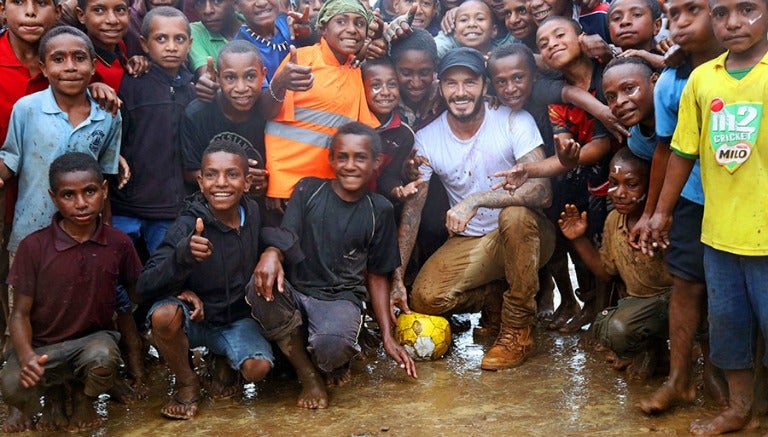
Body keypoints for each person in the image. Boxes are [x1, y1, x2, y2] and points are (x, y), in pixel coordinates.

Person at [640, 0, 768, 431]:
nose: (733, 22)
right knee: (729, 326)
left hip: (766, 237)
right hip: (718, 234)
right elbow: (681, 151)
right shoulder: (701, 79)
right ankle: (738, 407)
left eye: (747, 9)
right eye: (721, 13)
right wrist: (660, 213)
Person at [391, 47, 555, 370]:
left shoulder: (513, 119)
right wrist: (397, 277)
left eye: (469, 82)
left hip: (528, 236)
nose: (461, 92)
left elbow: (543, 191)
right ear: (440, 87)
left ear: (484, 85)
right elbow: (413, 210)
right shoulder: (427, 138)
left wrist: (477, 199)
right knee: (425, 298)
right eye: (452, 84)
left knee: (515, 215)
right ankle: (496, 295)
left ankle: (518, 326)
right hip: (472, 241)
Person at [248, 122, 416, 410]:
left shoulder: (380, 209)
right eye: (343, 157)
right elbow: (287, 236)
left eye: (360, 157)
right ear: (332, 159)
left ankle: (327, 356)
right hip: (297, 293)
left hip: (339, 298)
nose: (350, 165)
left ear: (376, 162)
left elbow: (377, 275)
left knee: (331, 348)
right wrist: (273, 252)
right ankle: (308, 375)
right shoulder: (309, 190)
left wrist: (388, 335)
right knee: (259, 286)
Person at [631, 0, 729, 414]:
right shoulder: (672, 81)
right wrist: (655, 212)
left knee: (734, 294)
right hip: (691, 199)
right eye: (672, 15)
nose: (681, 23)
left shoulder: (752, 68)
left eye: (693, 10)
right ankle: (679, 379)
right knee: (685, 286)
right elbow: (665, 150)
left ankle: (727, 378)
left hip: (743, 204)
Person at [0, 152, 142, 433]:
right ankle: (47, 399)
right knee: (11, 386)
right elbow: (19, 315)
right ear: (54, 198)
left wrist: (134, 360)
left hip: (91, 343)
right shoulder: (33, 247)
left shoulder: (118, 243)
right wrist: (27, 355)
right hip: (43, 349)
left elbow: (134, 298)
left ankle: (82, 399)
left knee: (103, 357)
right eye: (68, 195)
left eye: (89, 191)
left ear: (103, 191)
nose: (80, 203)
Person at [138, 141, 274, 419]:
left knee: (257, 368)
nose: (221, 183)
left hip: (236, 318)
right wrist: (182, 257)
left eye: (232, 175)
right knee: (164, 316)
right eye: (211, 175)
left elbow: (276, 234)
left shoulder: (254, 212)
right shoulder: (188, 224)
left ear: (247, 182)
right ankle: (187, 381)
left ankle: (223, 360)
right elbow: (144, 285)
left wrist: (273, 252)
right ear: (200, 182)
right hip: (196, 320)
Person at [559, 147, 671, 380]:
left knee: (620, 327)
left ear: (651, 186)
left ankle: (664, 355)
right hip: (639, 306)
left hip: (672, 303)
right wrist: (578, 239)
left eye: (631, 185)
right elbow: (606, 272)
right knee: (605, 327)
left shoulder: (663, 222)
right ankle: (650, 349)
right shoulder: (613, 220)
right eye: (613, 183)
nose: (619, 193)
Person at [262, 0, 379, 217]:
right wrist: (277, 184)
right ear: (324, 29)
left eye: (359, 23)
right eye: (341, 21)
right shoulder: (303, 60)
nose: (351, 29)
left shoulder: (354, 70)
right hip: (290, 192)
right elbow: (271, 119)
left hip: (331, 191)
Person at [111, 6, 195, 255]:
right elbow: (112, 139)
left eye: (179, 39)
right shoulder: (130, 84)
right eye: (161, 39)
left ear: (189, 44)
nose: (171, 47)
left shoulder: (193, 92)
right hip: (126, 205)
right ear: (144, 44)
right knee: (118, 273)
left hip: (170, 209)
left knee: (164, 272)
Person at [181, 40, 269, 196]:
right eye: (230, 78)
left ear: (263, 74)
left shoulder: (269, 112)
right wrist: (235, 176)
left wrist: (265, 179)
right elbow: (189, 173)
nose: (241, 88)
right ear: (217, 77)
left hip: (258, 209)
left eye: (250, 76)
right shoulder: (197, 114)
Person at [361, 57, 419, 206]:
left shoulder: (404, 134)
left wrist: (397, 190)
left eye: (392, 85)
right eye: (376, 85)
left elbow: (389, 176)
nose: (385, 92)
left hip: (375, 207)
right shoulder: (352, 124)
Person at [76, 0, 149, 91]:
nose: (112, 20)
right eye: (99, 10)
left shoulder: (119, 44)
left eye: (120, 10)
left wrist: (133, 63)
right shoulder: (79, 64)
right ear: (81, 15)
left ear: (129, 14)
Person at [189, 0, 242, 77]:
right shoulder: (194, 32)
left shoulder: (255, 25)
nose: (207, 10)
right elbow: (208, 76)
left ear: (235, 3)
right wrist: (209, 80)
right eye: (200, 2)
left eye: (218, 1)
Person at [607, 0, 664, 69]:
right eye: (617, 18)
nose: (624, 21)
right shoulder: (604, 65)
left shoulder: (674, 60)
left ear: (656, 25)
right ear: (609, 28)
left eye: (637, 14)